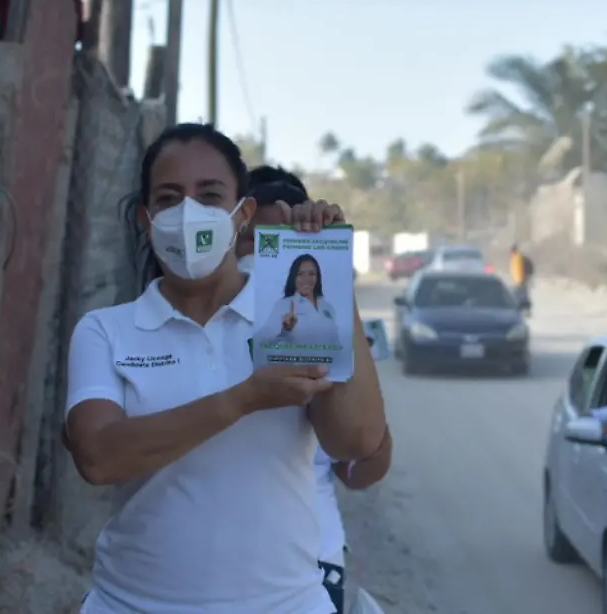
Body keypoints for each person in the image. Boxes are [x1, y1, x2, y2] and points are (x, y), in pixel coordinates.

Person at [64, 124, 387, 614]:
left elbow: (356, 443)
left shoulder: (289, 315)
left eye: (210, 195)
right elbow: (98, 457)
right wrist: (244, 398)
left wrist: (331, 272)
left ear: (243, 214)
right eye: (169, 198)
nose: (188, 213)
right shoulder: (106, 330)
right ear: (145, 218)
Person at [238, 165, 392, 614]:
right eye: (252, 242)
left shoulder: (322, 326)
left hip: (311, 568)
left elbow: (361, 467)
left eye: (277, 245)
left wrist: (334, 270)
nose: (259, 259)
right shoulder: (200, 332)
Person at [258, 254, 343, 349]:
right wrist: (284, 331)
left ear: (317, 277)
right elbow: (261, 341)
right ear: (293, 277)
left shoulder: (328, 308)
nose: (306, 279)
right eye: (300, 274)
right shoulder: (283, 305)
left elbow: (336, 345)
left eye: (311, 274)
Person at [509, 243, 533, 312]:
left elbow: (529, 266)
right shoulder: (514, 258)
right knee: (520, 295)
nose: (511, 252)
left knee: (522, 295)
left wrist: (527, 275)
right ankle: (523, 309)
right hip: (517, 280)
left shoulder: (520, 257)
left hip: (522, 279)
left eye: (512, 250)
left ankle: (526, 309)